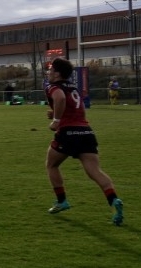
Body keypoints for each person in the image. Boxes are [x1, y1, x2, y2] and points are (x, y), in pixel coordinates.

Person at [45, 58, 124, 226]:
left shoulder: (54, 87)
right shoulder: (73, 87)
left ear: (57, 73)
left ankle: (61, 201)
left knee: (51, 165)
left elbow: (60, 99)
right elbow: (73, 108)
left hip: (68, 133)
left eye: (50, 70)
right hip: (86, 132)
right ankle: (114, 200)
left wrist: (56, 120)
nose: (48, 72)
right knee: (95, 171)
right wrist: (54, 114)